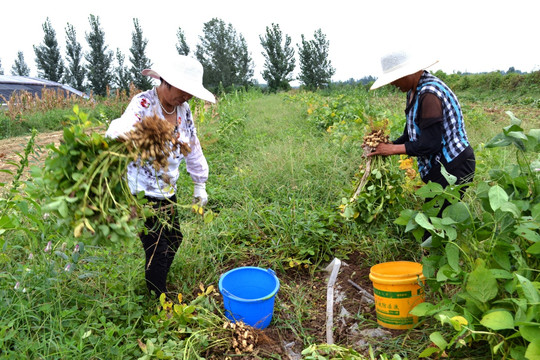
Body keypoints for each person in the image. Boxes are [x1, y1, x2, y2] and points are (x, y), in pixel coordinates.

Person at [105, 55, 216, 297]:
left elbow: (192, 145)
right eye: (183, 90)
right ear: (165, 81)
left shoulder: (183, 110)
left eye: (190, 92)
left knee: (175, 238)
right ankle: (158, 297)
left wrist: (200, 184)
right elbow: (120, 131)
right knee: (157, 246)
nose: (187, 96)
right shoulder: (143, 103)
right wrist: (135, 135)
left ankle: (158, 278)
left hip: (167, 189)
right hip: (141, 191)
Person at [368, 50, 475, 214]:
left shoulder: (429, 93)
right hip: (442, 168)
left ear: (408, 72)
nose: (393, 84)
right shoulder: (413, 91)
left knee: (435, 226)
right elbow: (410, 136)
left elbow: (430, 143)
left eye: (394, 78)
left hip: (455, 166)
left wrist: (392, 150)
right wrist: (383, 146)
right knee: (434, 223)